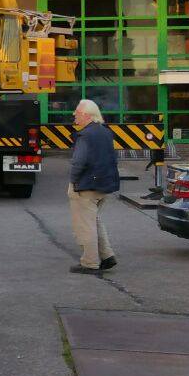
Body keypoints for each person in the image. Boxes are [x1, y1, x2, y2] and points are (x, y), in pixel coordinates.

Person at [68, 99, 119, 275]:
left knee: (85, 226)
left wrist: (73, 181)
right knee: (94, 221)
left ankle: (90, 263)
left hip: (86, 186)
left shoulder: (85, 135)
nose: (74, 115)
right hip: (104, 185)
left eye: (77, 112)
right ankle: (107, 256)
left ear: (87, 115)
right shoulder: (105, 132)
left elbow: (78, 162)